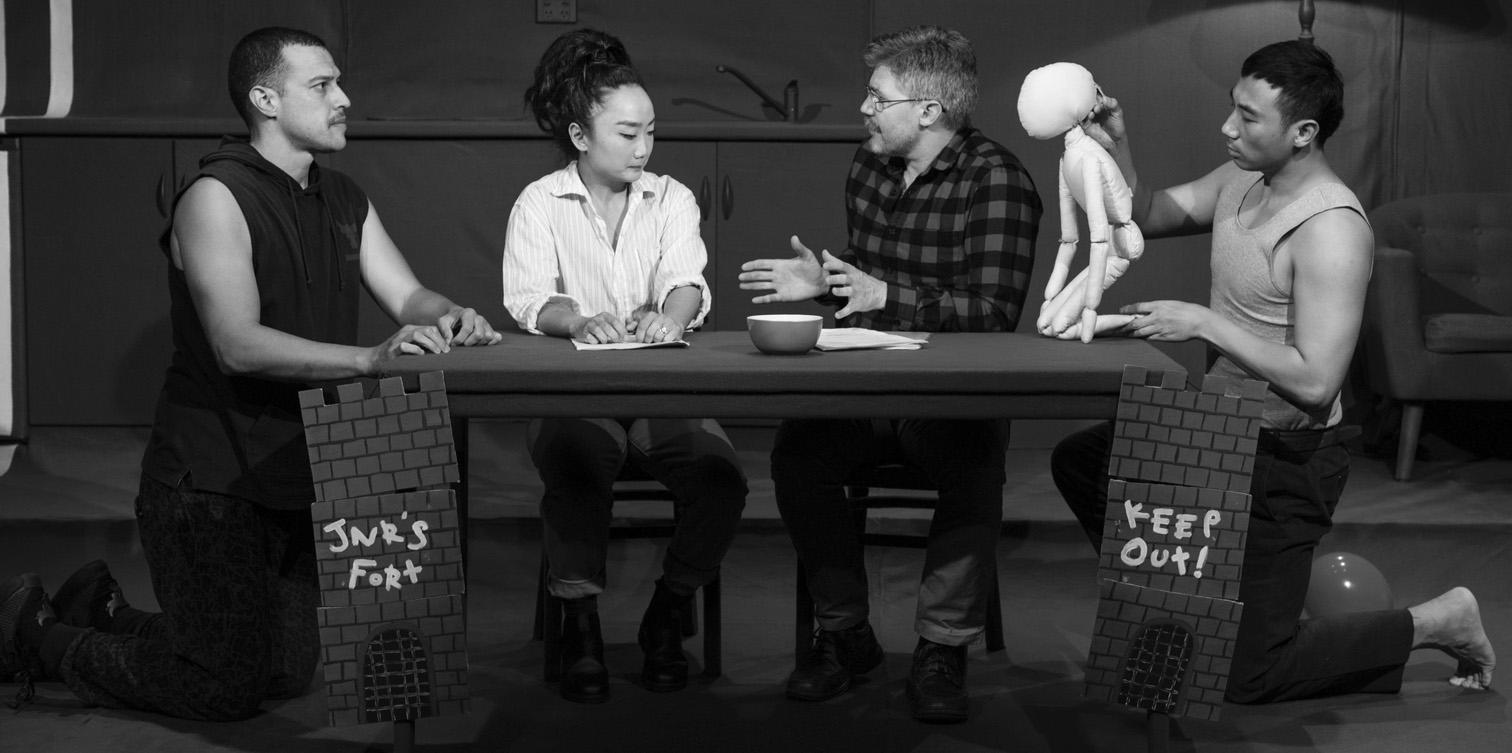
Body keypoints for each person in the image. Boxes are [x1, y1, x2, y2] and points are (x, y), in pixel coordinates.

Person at [0, 26, 502, 720]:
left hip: (301, 463)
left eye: (339, 83)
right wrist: (368, 359)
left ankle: (104, 609)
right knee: (223, 685)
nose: (344, 99)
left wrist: (449, 313)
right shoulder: (215, 196)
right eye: (322, 86)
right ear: (266, 99)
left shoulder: (345, 198)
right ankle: (38, 632)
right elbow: (236, 344)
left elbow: (407, 293)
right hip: (211, 478)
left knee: (283, 672)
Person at [1048, 40, 1495, 703]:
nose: (1229, 127)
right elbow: (1141, 215)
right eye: (1233, 107)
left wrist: (1206, 323)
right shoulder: (1241, 179)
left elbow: (1317, 380)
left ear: (1303, 132)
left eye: (1249, 117)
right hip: (1218, 432)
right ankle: (1197, 605)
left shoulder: (1331, 228)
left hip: (1287, 457)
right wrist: (1118, 144)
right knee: (1084, 462)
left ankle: (1436, 620)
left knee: (1247, 676)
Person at [738, 26, 1041, 723]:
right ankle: (845, 633)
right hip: (867, 384)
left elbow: (993, 315)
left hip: (947, 395)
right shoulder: (870, 166)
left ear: (930, 110)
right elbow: (866, 283)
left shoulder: (996, 180)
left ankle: (941, 649)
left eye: (879, 98)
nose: (864, 109)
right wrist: (828, 284)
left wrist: (885, 295)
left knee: (974, 460)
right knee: (799, 453)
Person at [501, 28, 748, 704]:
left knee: (720, 476)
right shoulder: (540, 202)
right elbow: (529, 299)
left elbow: (687, 279)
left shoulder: (670, 197)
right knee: (578, 457)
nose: (644, 148)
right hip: (577, 393)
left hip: (659, 391)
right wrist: (578, 320)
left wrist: (672, 314)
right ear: (580, 136)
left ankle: (669, 609)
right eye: (628, 134)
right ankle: (579, 624)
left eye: (651, 133)